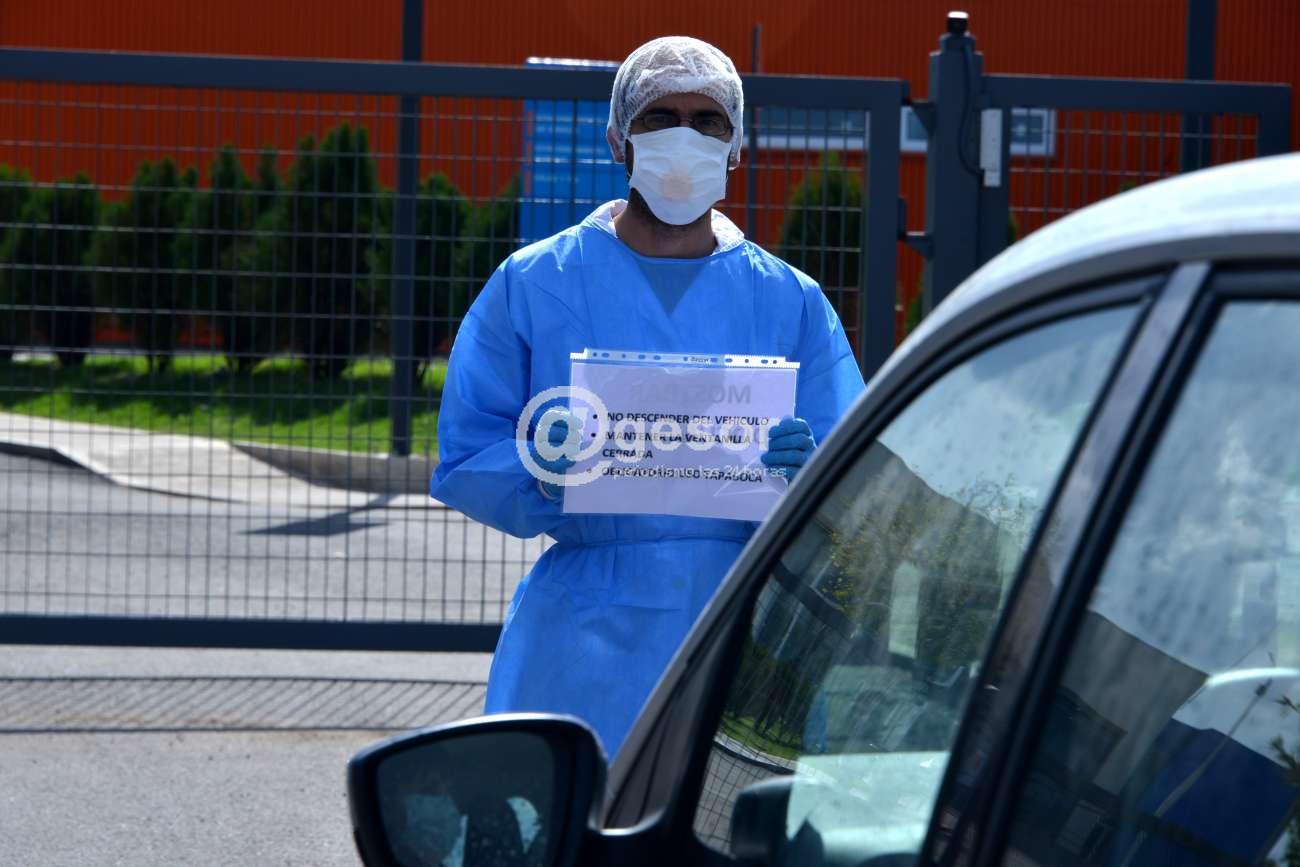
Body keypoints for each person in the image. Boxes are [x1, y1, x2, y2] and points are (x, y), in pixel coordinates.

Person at [430, 35, 865, 756]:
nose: (684, 137)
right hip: (580, 636)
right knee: (574, 808)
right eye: (660, 118)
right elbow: (468, 451)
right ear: (618, 140)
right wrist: (539, 468)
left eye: (708, 120)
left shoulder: (789, 300)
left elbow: (855, 482)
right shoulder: (536, 283)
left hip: (741, 628)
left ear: (736, 147)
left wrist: (811, 474)